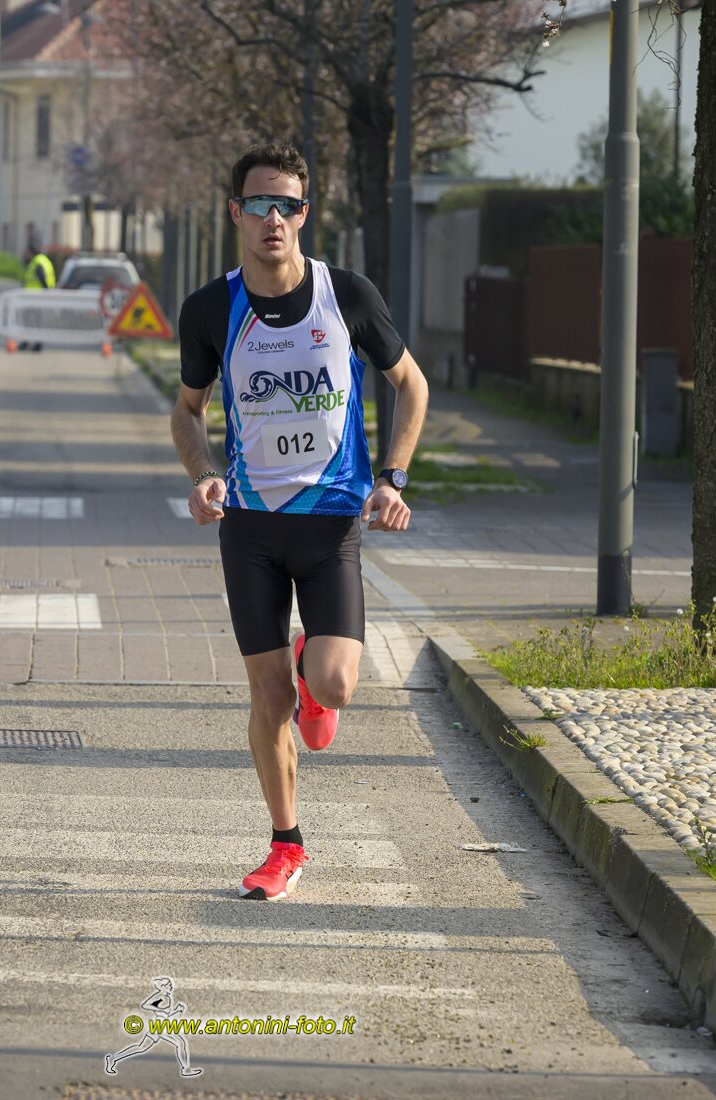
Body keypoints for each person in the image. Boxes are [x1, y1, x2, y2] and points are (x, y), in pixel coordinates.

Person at [172, 142, 429, 899]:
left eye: (287, 205)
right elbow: (187, 410)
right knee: (269, 699)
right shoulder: (210, 309)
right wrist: (203, 474)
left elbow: (411, 385)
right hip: (251, 526)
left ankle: (312, 672)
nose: (273, 219)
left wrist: (393, 477)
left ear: (304, 214)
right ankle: (285, 845)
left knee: (335, 686)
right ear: (236, 213)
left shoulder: (344, 295)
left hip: (331, 523)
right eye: (259, 204)